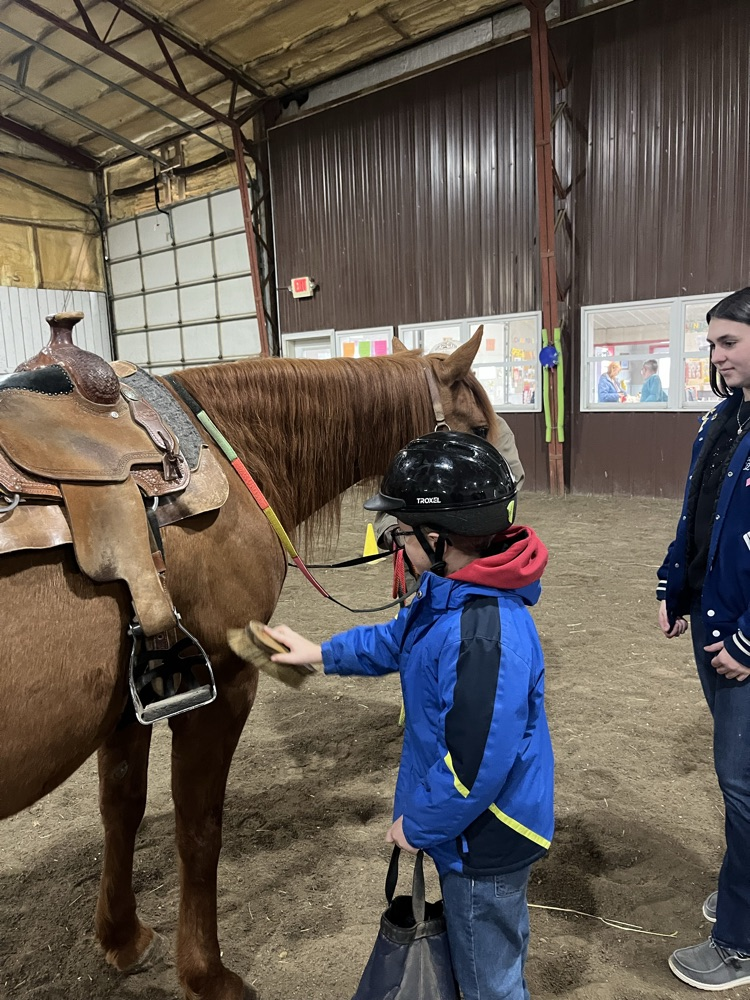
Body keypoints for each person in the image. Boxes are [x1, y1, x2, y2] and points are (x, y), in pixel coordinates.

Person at [266, 431, 554, 1000]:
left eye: (399, 533)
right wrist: (321, 654)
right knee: (477, 960)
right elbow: (399, 640)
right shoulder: (448, 592)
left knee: (489, 980)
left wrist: (419, 826)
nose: (392, 544)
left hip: (485, 836)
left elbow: (473, 767)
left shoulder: (482, 637)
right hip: (466, 826)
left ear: (437, 536)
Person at [658, 286, 750, 991]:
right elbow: (701, 514)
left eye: (728, 343)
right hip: (713, 622)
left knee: (744, 787)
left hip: (742, 645)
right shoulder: (722, 419)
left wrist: (747, 642)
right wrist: (674, 583)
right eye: (712, 344)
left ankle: (742, 942)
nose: (715, 357)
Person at [373, 414, 525, 551]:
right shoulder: (409, 425)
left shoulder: (494, 428)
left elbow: (506, 485)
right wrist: (399, 534)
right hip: (421, 544)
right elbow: (394, 495)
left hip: (449, 544)